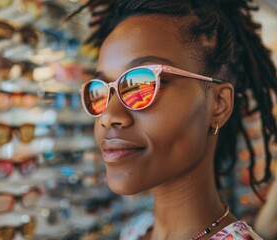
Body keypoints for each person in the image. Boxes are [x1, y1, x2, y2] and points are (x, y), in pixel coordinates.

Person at [71, 0, 277, 239]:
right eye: (101, 91)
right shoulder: (136, 231)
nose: (108, 116)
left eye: (141, 84)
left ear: (219, 105)